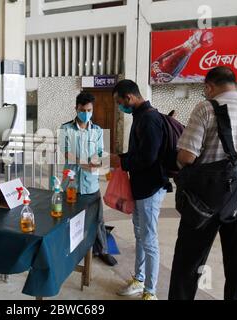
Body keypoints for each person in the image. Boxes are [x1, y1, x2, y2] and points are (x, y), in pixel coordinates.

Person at [168, 66, 237, 300]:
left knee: (188, 269)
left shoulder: (205, 108)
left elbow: (187, 156)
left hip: (203, 204)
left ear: (209, 87)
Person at [111, 80, 169, 300]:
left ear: (129, 98)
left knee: (149, 239)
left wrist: (122, 161)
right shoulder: (140, 117)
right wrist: (122, 159)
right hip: (140, 187)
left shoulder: (150, 118)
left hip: (150, 189)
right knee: (140, 235)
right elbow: (140, 152)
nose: (120, 107)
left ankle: (150, 292)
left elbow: (148, 157)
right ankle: (140, 279)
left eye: (120, 102)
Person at [59, 91, 117, 266]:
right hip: (71, 184)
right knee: (68, 219)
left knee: (98, 219)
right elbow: (65, 152)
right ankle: (66, 251)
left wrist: (102, 163)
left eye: (89, 110)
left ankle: (103, 251)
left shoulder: (97, 131)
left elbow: (100, 153)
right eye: (82, 110)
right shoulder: (66, 129)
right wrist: (84, 162)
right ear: (76, 109)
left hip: (91, 184)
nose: (86, 113)